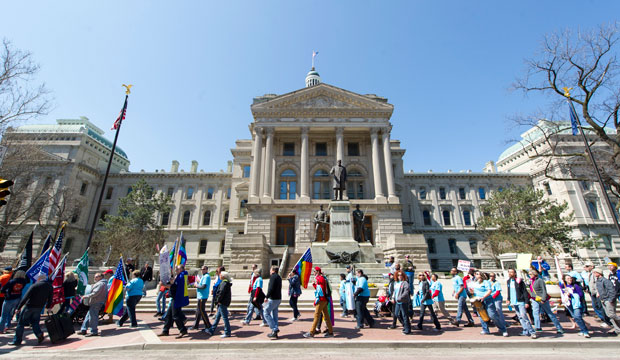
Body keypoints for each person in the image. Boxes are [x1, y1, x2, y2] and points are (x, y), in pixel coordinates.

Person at [9, 274, 52, 346]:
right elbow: (50, 298)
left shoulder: (35, 286)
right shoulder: (49, 287)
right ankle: (39, 334)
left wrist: (18, 308)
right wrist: (48, 306)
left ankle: (17, 340)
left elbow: (26, 297)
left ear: (39, 279)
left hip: (29, 306)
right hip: (39, 307)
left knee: (21, 323)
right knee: (35, 322)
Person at [469, 271, 507, 336]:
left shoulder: (486, 282)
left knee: (492, 315)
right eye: (475, 274)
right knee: (482, 315)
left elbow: (489, 290)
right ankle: (485, 329)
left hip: (487, 300)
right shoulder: (475, 283)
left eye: (477, 274)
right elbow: (473, 292)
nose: (476, 275)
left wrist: (483, 297)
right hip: (478, 301)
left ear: (481, 275)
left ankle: (503, 329)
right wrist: (472, 292)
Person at [528, 268, 564, 334]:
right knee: (535, 313)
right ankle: (537, 327)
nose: (529, 275)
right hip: (534, 299)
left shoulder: (540, 280)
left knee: (549, 313)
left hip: (542, 298)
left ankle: (559, 327)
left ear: (534, 274)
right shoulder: (531, 281)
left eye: (530, 274)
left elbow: (544, 290)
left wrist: (543, 299)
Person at [159, 265, 189, 338]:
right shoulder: (181, 276)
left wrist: (164, 285)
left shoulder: (181, 276)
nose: (176, 270)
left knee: (175, 315)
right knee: (169, 315)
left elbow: (174, 286)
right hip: (175, 297)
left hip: (177, 298)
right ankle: (165, 330)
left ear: (182, 269)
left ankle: (183, 330)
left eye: (177, 269)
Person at [303, 267, 334, 338]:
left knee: (316, 316)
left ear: (317, 272)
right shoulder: (322, 278)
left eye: (314, 271)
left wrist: (317, 299)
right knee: (326, 316)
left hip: (321, 300)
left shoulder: (319, 279)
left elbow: (320, 291)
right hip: (324, 299)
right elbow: (320, 288)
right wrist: (315, 285)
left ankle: (311, 332)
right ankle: (330, 332)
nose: (313, 273)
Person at [506, 268, 537, 339]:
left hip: (520, 301)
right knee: (520, 316)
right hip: (514, 301)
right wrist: (508, 299)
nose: (510, 273)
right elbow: (509, 291)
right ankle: (525, 330)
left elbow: (525, 292)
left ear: (515, 273)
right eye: (509, 272)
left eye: (511, 272)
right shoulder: (508, 281)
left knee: (524, 316)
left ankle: (532, 332)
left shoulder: (519, 281)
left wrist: (526, 302)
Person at [205, 271, 232, 338]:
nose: (219, 276)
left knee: (225, 318)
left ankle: (227, 332)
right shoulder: (225, 283)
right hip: (223, 302)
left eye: (220, 275)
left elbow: (221, 293)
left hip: (222, 302)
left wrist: (218, 300)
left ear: (223, 276)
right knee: (217, 317)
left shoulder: (224, 283)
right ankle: (211, 330)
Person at [593, 268, 620, 335]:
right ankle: (617, 330)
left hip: (608, 300)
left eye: (595, 272)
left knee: (612, 315)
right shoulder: (598, 281)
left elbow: (612, 291)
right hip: (603, 300)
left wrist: (611, 300)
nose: (594, 274)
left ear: (598, 273)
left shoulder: (605, 281)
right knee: (609, 316)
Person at [80, 272, 107, 336]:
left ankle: (94, 331)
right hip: (97, 302)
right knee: (88, 316)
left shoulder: (100, 284)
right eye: (95, 276)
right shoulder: (103, 283)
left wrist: (85, 296)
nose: (95, 278)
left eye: (96, 276)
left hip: (96, 302)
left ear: (101, 277)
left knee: (93, 317)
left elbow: (95, 293)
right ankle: (83, 329)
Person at [264, 265, 282, 339]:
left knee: (266, 312)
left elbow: (271, 288)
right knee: (274, 314)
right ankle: (274, 331)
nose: (270, 271)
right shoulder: (279, 277)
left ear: (273, 270)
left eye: (270, 269)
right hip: (278, 298)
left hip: (273, 298)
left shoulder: (273, 277)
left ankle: (274, 329)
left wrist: (266, 296)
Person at [191, 265, 211, 330]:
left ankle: (208, 325)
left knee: (202, 311)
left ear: (206, 270)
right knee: (198, 311)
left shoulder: (207, 276)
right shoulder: (204, 276)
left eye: (203, 269)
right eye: (201, 269)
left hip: (203, 296)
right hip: (200, 296)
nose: (202, 270)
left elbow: (203, 286)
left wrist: (196, 286)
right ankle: (196, 325)